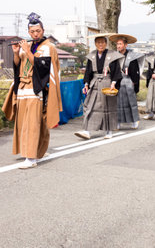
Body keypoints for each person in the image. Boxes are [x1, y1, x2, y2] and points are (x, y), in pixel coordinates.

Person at [2, 13, 62, 169]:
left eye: (38, 31)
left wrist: (27, 51)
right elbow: (18, 65)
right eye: (32, 31)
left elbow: (42, 67)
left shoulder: (49, 47)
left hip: (37, 89)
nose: (35, 34)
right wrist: (16, 53)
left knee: (32, 123)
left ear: (43, 30)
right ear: (29, 32)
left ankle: (31, 157)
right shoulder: (27, 45)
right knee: (25, 122)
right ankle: (38, 149)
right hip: (22, 87)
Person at [75, 34, 123, 140]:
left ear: (106, 44)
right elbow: (88, 72)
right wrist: (86, 84)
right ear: (95, 44)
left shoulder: (112, 55)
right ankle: (86, 131)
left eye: (102, 42)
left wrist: (113, 83)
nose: (100, 44)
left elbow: (116, 72)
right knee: (90, 106)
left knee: (108, 107)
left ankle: (109, 131)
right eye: (98, 42)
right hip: (94, 82)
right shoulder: (91, 56)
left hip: (107, 82)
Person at [110, 34, 144, 129]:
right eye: (117, 44)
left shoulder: (131, 56)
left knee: (131, 102)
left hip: (128, 81)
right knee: (118, 103)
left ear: (126, 45)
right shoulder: (115, 56)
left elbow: (135, 70)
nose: (118, 46)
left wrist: (134, 82)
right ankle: (118, 121)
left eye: (120, 44)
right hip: (118, 81)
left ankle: (134, 120)